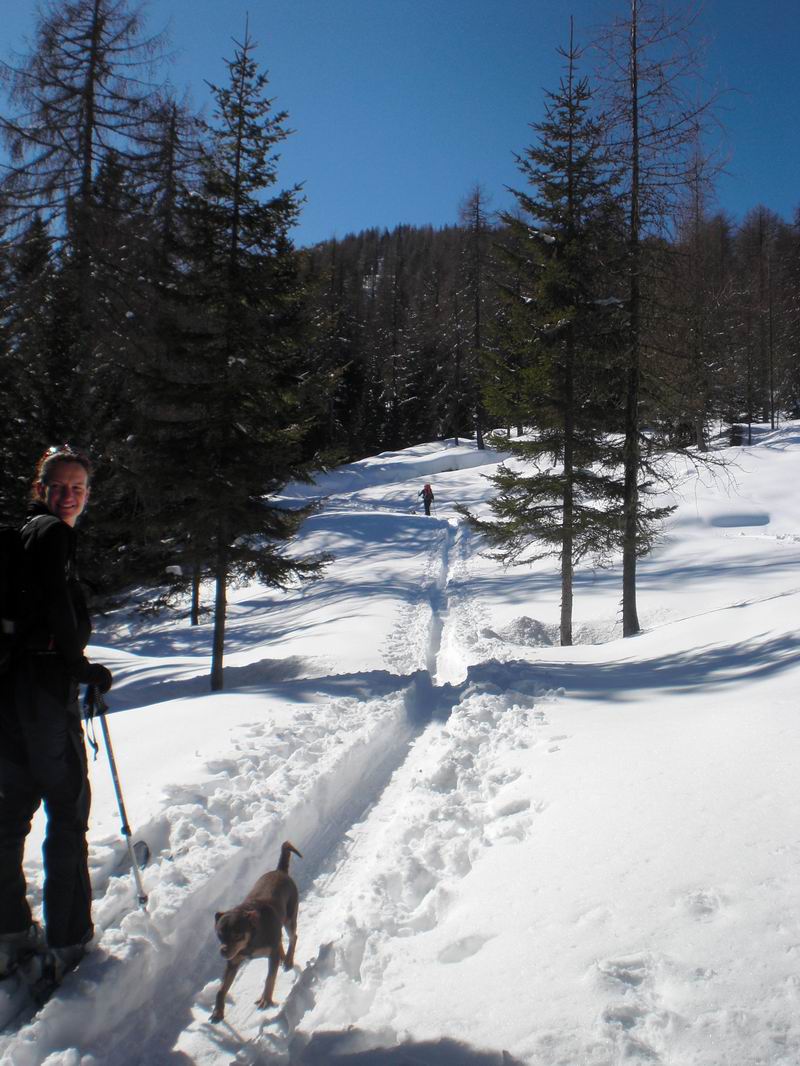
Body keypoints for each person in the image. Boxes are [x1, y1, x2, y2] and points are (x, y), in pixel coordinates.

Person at [0, 446, 113, 989]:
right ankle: (68, 939)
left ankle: (9, 931)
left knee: (8, 817)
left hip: (8, 695)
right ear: (39, 488)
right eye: (60, 486)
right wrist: (79, 665)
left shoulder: (18, 536)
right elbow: (56, 606)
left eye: (77, 488)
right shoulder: (53, 535)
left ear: (86, 494)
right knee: (66, 814)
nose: (69, 495)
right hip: (46, 694)